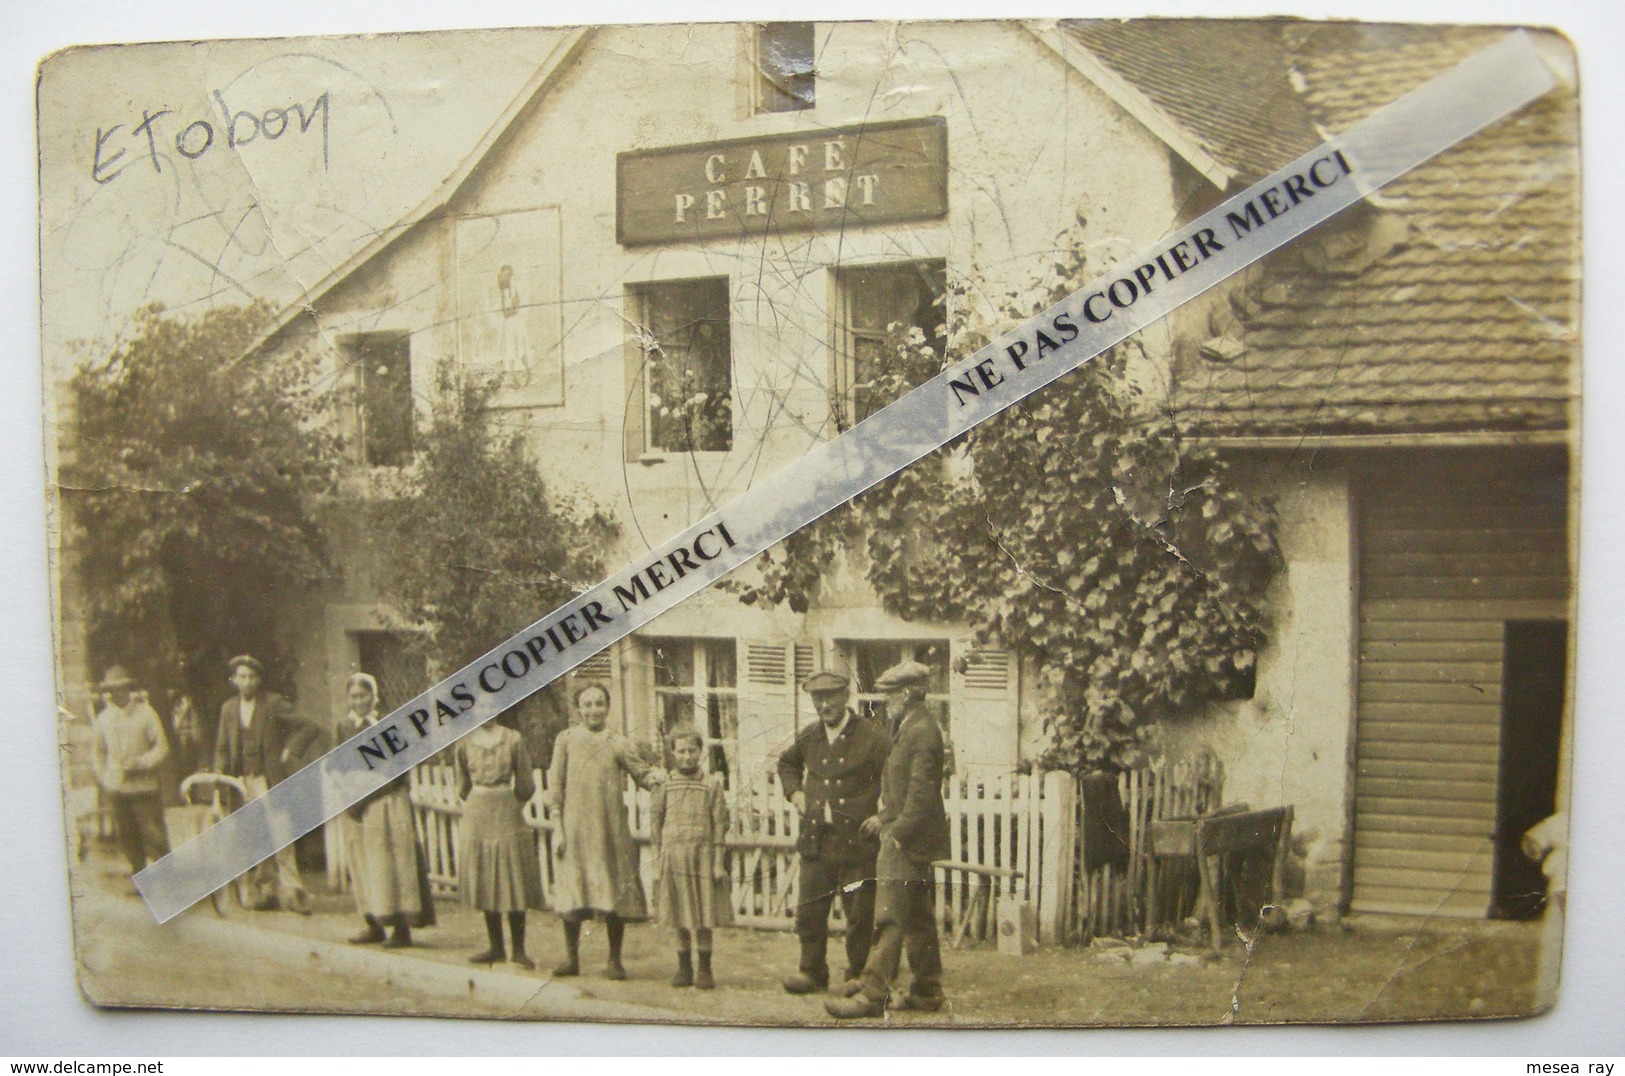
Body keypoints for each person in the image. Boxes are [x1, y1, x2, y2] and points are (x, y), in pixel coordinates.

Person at [826, 661, 952, 1019]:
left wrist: (897, 833)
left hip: (906, 841)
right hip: (907, 834)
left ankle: (873, 993)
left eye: (891, 694)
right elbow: (901, 790)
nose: (886, 702)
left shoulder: (923, 731)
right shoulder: (910, 726)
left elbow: (922, 792)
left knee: (889, 917)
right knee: (917, 918)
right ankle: (927, 990)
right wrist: (883, 817)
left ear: (909, 694)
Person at [776, 670, 890, 996]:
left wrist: (884, 815)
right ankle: (812, 972)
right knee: (810, 909)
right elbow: (786, 764)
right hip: (817, 837)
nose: (824, 705)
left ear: (846, 696)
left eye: (830, 697)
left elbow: (900, 775)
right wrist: (795, 793)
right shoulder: (810, 736)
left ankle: (858, 976)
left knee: (859, 913)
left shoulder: (872, 737)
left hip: (857, 841)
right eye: (817, 698)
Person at [547, 683, 664, 980]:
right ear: (578, 708)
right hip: (574, 830)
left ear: (608, 707)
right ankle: (571, 959)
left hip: (609, 830)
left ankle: (615, 961)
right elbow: (556, 788)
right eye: (586, 704)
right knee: (573, 893)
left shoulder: (618, 742)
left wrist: (657, 779)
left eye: (599, 703)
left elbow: (642, 773)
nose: (593, 710)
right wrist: (558, 828)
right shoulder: (566, 740)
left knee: (613, 893)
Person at [333, 673, 436, 949]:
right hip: (356, 804)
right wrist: (347, 793)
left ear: (374, 697)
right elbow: (338, 764)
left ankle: (401, 928)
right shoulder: (343, 727)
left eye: (363, 696)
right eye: (353, 697)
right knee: (363, 862)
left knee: (393, 863)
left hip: (385, 801)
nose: (358, 702)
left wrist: (366, 795)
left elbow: (397, 772)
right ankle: (373, 923)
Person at [212, 654, 320, 914]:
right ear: (234, 680)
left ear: (258, 680)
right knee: (253, 838)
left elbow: (309, 726)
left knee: (281, 836)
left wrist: (290, 750)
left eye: (251, 677)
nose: (247, 682)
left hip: (269, 780)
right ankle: (264, 891)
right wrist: (219, 774)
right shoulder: (228, 708)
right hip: (241, 782)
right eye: (242, 677)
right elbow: (222, 747)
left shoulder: (272, 704)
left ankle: (293, 893)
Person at [454, 713, 544, 968]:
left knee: (511, 876)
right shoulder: (463, 742)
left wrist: (510, 803)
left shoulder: (513, 739)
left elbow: (526, 784)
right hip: (477, 812)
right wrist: (477, 799)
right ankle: (495, 947)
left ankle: (518, 950)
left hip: (506, 810)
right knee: (486, 876)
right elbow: (462, 784)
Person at [650, 724, 731, 990]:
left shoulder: (711, 784)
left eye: (692, 750)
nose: (687, 756)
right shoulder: (664, 785)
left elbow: (720, 824)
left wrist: (718, 862)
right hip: (674, 855)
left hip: (703, 855)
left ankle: (705, 969)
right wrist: (656, 859)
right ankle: (684, 968)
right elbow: (655, 823)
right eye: (681, 751)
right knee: (680, 914)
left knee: (703, 914)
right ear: (672, 753)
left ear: (701, 751)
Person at [90, 666, 171, 879]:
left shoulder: (146, 713)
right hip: (118, 788)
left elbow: (161, 746)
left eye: (122, 688)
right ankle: (141, 879)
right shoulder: (104, 719)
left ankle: (167, 880)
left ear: (129, 688)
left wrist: (143, 762)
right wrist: (105, 778)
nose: (118, 693)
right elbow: (97, 753)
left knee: (154, 836)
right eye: (113, 689)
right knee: (128, 837)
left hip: (144, 786)